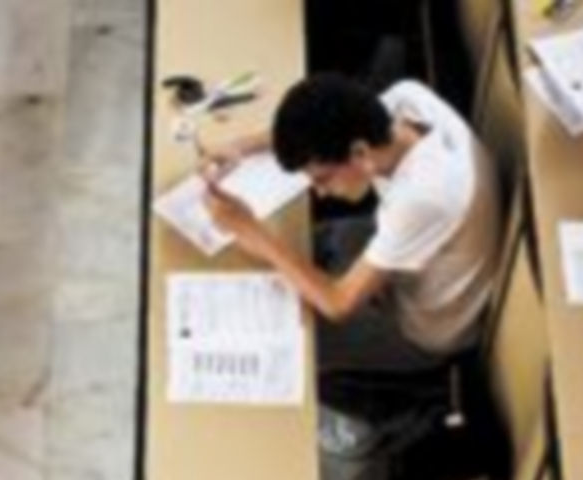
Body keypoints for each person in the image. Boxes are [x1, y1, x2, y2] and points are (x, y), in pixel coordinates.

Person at [203, 75, 501, 455]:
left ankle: (399, 401)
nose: (320, 190)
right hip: (412, 262)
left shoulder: (423, 196)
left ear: (360, 153)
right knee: (296, 252)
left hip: (422, 330)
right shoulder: (404, 103)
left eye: (321, 177)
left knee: (277, 340)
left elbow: (339, 304)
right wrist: (240, 147)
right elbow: (321, 122)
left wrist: (255, 234)